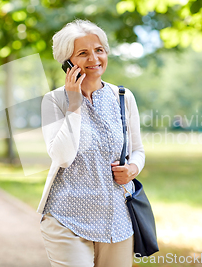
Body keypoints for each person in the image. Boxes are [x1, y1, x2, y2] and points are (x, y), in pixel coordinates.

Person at [38, 19, 145, 267]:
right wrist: (74, 104)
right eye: (83, 53)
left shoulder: (123, 97)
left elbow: (137, 150)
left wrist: (133, 169)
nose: (94, 58)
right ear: (67, 62)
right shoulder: (53, 101)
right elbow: (62, 157)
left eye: (98, 50)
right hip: (67, 218)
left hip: (116, 217)